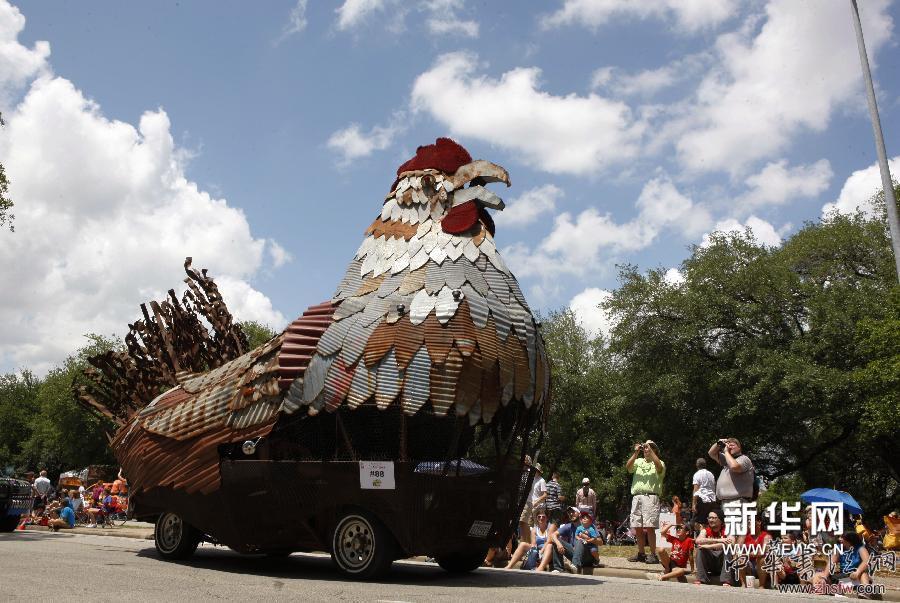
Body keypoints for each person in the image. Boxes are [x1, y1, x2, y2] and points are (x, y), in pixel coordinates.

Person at [626, 440, 665, 564]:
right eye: (646, 447)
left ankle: (653, 555)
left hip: (650, 497)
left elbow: (659, 468)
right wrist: (636, 452)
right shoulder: (638, 461)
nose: (647, 449)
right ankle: (641, 553)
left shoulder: (659, 462)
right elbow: (628, 467)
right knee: (637, 526)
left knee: (650, 527)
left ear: (655, 450)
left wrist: (651, 451)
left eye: (650, 447)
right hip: (637, 496)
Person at [708, 438, 754, 505]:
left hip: (738, 501)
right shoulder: (727, 460)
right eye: (728, 445)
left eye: (732, 445)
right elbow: (711, 453)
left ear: (739, 448)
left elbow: (734, 467)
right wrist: (718, 443)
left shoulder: (744, 459)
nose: (729, 447)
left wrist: (726, 452)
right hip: (726, 503)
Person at [693, 508, 733, 585]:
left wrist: (708, 546)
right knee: (700, 549)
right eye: (709, 518)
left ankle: (726, 580)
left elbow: (731, 543)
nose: (711, 520)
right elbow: (698, 541)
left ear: (720, 520)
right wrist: (719, 540)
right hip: (710, 562)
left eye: (714, 518)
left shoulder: (728, 530)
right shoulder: (705, 531)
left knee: (727, 548)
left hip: (722, 563)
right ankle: (701, 579)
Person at [741, 515, 771, 588]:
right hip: (749, 564)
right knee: (740, 559)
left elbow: (763, 551)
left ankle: (761, 585)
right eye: (748, 521)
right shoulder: (745, 535)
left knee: (762, 559)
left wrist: (750, 553)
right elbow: (738, 549)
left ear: (759, 522)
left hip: (761, 565)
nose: (749, 522)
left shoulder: (766, 536)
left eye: (751, 520)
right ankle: (743, 584)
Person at [548, 507, 580, 573]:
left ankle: (575, 565)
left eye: (573, 512)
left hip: (585, 554)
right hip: (573, 553)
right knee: (556, 540)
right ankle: (559, 569)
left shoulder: (586, 525)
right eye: (569, 513)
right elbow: (553, 535)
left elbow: (599, 541)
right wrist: (558, 544)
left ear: (579, 514)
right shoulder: (569, 526)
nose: (571, 514)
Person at [691, 457, 717, 526]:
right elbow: (714, 487)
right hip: (712, 500)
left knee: (697, 522)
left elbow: (696, 489)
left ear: (697, 465)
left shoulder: (697, 474)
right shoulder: (711, 474)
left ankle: (701, 532)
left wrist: (694, 504)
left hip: (702, 499)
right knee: (708, 521)